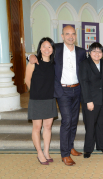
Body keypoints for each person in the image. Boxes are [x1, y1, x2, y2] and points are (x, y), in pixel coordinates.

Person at [29, 25, 87, 166]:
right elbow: (41, 53)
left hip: (77, 89)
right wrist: (29, 56)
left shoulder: (81, 52)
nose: (70, 36)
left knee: (73, 120)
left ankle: (71, 146)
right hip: (62, 91)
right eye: (67, 34)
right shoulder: (57, 49)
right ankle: (65, 154)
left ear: (76, 35)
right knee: (66, 120)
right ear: (62, 36)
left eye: (73, 34)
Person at [25, 37, 58, 165]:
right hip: (37, 99)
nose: (46, 49)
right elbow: (27, 79)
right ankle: (39, 153)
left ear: (52, 49)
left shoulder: (54, 63)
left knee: (48, 127)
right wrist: (35, 92)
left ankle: (46, 151)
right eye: (44, 46)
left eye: (49, 47)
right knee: (37, 127)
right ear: (40, 48)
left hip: (50, 99)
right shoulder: (34, 62)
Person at [79, 42, 103, 159]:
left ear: (102, 53)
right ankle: (88, 149)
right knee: (90, 125)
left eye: (99, 51)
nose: (97, 54)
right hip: (91, 99)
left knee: (102, 124)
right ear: (89, 52)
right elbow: (84, 83)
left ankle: (101, 146)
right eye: (94, 51)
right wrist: (88, 100)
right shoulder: (84, 64)